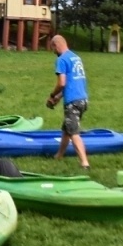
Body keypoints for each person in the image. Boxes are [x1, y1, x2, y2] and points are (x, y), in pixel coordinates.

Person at [44, 35, 90, 169]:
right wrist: (58, 98)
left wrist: (52, 95)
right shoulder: (76, 57)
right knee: (67, 129)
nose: (53, 52)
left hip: (73, 102)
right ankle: (59, 155)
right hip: (83, 99)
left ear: (55, 45)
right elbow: (73, 82)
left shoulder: (62, 59)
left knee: (74, 132)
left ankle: (84, 163)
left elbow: (62, 83)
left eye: (52, 49)